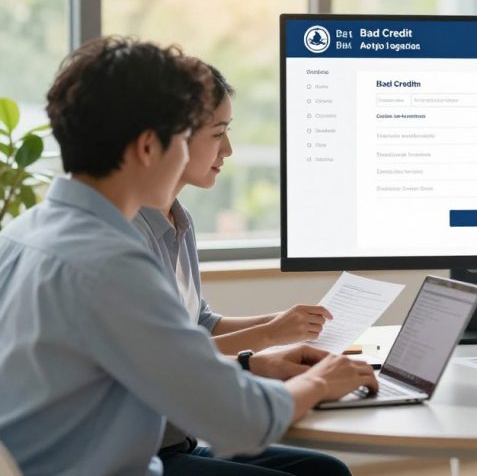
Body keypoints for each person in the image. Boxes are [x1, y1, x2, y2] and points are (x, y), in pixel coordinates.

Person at [0, 37, 378, 476]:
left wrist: (261, 360)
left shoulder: (20, 235)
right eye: (183, 138)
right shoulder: (112, 263)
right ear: (147, 147)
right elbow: (241, 419)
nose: (190, 155)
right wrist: (320, 383)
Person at [131, 63, 349, 474]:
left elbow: (198, 322)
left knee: (326, 471)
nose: (228, 150)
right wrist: (262, 347)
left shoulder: (178, 218)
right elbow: (167, 358)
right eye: (217, 134)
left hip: (181, 437)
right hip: (148, 451)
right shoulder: (130, 236)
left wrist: (279, 323)